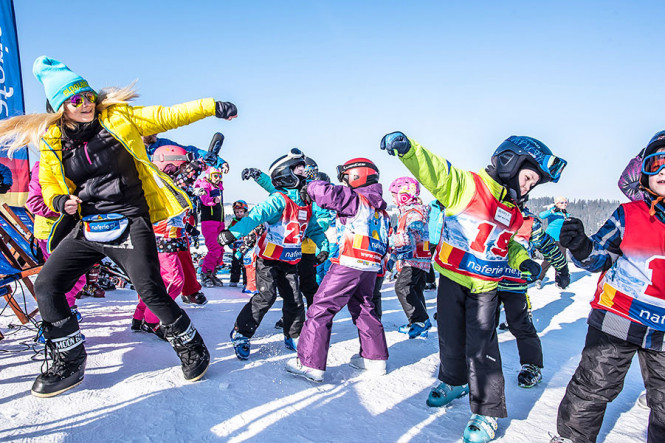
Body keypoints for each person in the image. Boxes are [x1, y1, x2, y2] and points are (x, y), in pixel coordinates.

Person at [0, 56, 237, 397]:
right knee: (48, 284)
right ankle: (69, 360)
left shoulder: (117, 117)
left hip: (128, 220)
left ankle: (191, 346)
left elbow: (167, 115)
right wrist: (59, 201)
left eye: (88, 96)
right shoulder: (53, 138)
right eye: (75, 100)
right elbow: (49, 183)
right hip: (87, 224)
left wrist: (211, 106)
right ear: (60, 107)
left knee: (151, 290)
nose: (86, 104)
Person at [380, 132, 566, 443]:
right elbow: (435, 171)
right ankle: (454, 381)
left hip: (485, 288)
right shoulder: (468, 187)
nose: (527, 187)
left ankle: (487, 411)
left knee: (483, 349)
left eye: (533, 184)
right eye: (528, 178)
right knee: (450, 338)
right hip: (452, 280)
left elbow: (507, 244)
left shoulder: (513, 210)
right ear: (510, 161)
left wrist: (524, 260)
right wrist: (409, 149)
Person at [552, 134, 665, 443]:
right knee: (594, 384)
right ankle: (572, 438)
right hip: (619, 316)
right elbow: (599, 256)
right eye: (657, 163)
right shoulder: (630, 215)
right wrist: (581, 245)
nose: (664, 171)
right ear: (644, 173)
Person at [286, 158, 390, 382]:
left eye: (345, 177)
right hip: (371, 266)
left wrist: (310, 185)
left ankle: (310, 363)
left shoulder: (354, 198)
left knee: (321, 307)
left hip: (350, 261)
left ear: (357, 175)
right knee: (364, 307)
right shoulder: (380, 208)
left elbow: (328, 194)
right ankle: (375, 358)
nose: (344, 182)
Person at [219, 149, 328, 359]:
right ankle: (241, 332)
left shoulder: (305, 204)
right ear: (287, 174)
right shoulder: (278, 200)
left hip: (290, 261)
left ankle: (293, 334)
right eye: (300, 171)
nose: (305, 176)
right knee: (266, 297)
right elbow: (256, 216)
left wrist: (324, 248)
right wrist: (233, 232)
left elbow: (314, 229)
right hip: (268, 260)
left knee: (294, 299)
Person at [496, 204, 569, 389]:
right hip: (488, 281)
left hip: (515, 284)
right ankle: (474, 362)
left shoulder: (529, 222)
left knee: (520, 324)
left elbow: (548, 246)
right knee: (481, 324)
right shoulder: (491, 212)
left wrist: (562, 268)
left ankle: (532, 365)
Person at [389, 176, 432, 338]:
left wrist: (391, 240)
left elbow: (413, 235)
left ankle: (420, 320)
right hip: (417, 257)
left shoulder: (414, 213)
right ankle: (420, 324)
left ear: (404, 196)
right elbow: (404, 240)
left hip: (415, 258)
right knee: (415, 290)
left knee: (402, 287)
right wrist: (393, 257)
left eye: (394, 195)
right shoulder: (407, 212)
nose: (393, 199)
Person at [195, 166, 226, 287]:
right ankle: (205, 274)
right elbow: (204, 199)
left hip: (219, 222)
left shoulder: (218, 187)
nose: (218, 178)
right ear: (209, 176)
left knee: (221, 249)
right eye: (215, 176)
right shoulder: (205, 185)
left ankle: (212, 272)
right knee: (214, 249)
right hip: (209, 222)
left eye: (219, 176)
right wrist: (213, 200)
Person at [535, 196, 570, 288]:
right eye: (562, 202)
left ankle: (559, 281)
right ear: (557, 203)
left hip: (562, 240)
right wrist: (552, 211)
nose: (564, 204)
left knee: (561, 261)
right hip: (551, 239)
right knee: (549, 259)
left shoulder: (565, 214)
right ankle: (539, 279)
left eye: (566, 202)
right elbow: (541, 215)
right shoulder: (553, 212)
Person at [228, 200, 249, 288]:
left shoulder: (248, 222)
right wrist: (229, 242)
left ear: (245, 211)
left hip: (246, 248)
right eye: (237, 212)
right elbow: (229, 232)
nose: (239, 214)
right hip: (236, 248)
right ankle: (234, 280)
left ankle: (246, 281)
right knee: (235, 264)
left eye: (241, 212)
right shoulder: (233, 223)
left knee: (245, 265)